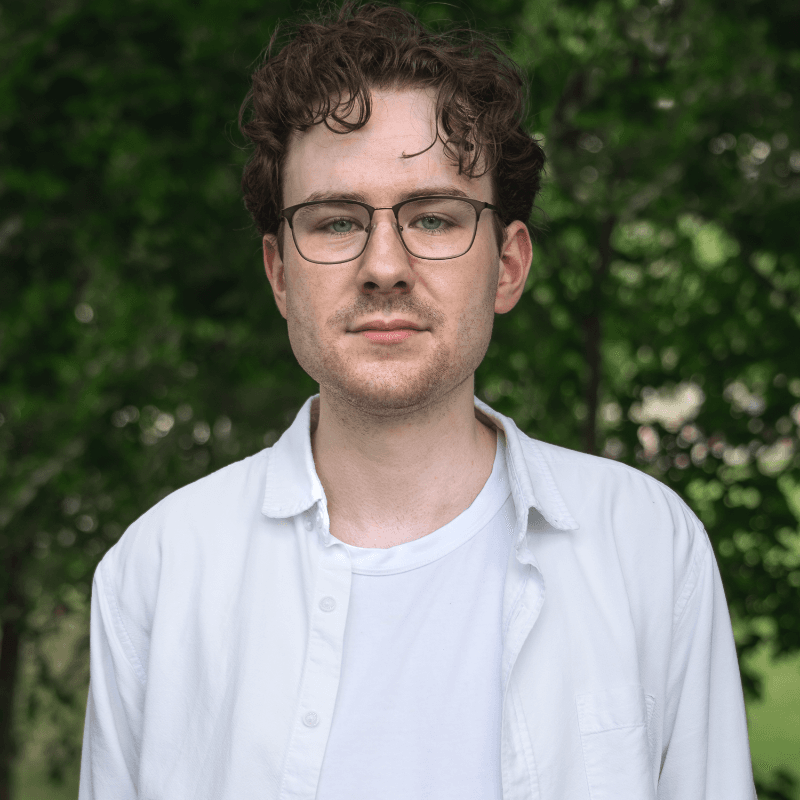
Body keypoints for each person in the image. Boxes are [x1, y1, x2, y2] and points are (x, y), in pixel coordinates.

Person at [78, 3, 756, 798]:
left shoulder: (647, 547)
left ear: (508, 266)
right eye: (336, 222)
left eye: (433, 218)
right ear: (279, 274)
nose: (384, 267)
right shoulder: (159, 571)